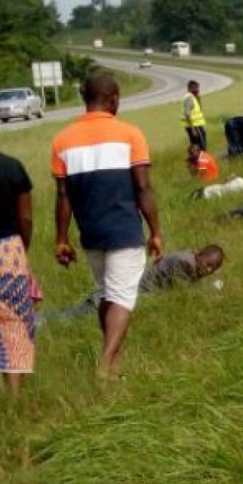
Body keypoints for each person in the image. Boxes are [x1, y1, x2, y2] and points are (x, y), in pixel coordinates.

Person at [51, 72, 163, 378]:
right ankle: (106, 362)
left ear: (85, 99)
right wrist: (155, 232)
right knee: (122, 298)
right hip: (124, 231)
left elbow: (63, 196)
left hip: (91, 234)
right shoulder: (130, 134)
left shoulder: (62, 140)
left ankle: (113, 363)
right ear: (113, 100)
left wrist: (61, 239)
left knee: (106, 294)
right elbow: (143, 187)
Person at [43, 246, 225, 324]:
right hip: (119, 295)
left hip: (122, 292)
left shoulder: (189, 258)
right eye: (208, 263)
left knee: (72, 316)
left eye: (212, 268)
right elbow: (184, 293)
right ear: (199, 255)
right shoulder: (186, 263)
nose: (207, 270)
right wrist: (212, 288)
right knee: (69, 317)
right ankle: (35, 321)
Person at [0, 147, 36, 395]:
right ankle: (13, 397)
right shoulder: (11, 167)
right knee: (14, 325)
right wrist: (22, 249)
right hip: (7, 253)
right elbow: (25, 218)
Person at [181, 80, 207, 151]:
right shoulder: (189, 98)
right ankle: (202, 157)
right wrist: (193, 129)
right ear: (191, 88)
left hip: (196, 125)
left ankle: (198, 157)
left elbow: (200, 109)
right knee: (201, 147)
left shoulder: (193, 97)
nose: (198, 90)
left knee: (196, 147)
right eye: (196, 88)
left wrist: (198, 98)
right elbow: (187, 114)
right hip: (195, 126)